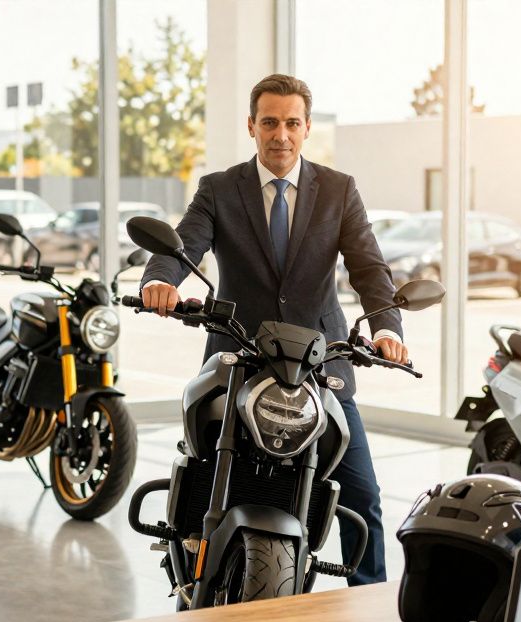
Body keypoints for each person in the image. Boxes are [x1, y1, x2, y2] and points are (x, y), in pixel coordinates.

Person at [140, 73, 409, 585]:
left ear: (306, 128)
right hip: (239, 360)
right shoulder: (220, 188)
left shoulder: (338, 189)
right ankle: (194, 577)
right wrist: (160, 281)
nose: (280, 135)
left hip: (319, 364)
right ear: (251, 126)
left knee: (363, 499)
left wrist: (387, 328)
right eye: (269, 123)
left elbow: (370, 268)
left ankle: (371, 604)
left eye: (291, 123)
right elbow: (184, 244)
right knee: (207, 480)